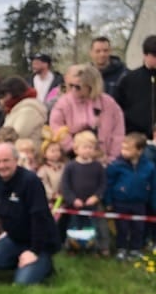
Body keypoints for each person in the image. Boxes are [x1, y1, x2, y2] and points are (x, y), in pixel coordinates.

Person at [0, 143, 61, 285]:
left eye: (6, 161)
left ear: (16, 160)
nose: (2, 166)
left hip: (40, 242)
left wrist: (34, 251)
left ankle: (44, 264)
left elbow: (39, 218)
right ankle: (22, 261)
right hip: (15, 239)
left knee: (22, 283)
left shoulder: (31, 181)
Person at [49, 64, 125, 163]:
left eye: (78, 87)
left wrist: (112, 158)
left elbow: (118, 133)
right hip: (73, 158)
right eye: (71, 85)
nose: (73, 89)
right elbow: (56, 127)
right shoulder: (63, 102)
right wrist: (74, 148)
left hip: (104, 158)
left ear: (91, 85)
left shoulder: (108, 103)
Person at [105, 132, 156, 260]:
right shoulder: (116, 165)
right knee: (122, 227)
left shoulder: (149, 167)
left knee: (139, 228)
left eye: (128, 149)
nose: (123, 151)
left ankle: (135, 249)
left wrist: (153, 203)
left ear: (139, 150)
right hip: (121, 202)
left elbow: (153, 186)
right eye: (122, 148)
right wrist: (108, 201)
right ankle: (121, 248)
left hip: (140, 203)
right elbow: (108, 184)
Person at [60, 130, 110, 255]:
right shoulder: (70, 166)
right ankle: (73, 248)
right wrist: (72, 199)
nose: (88, 150)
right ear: (76, 149)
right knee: (75, 226)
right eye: (85, 147)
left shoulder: (98, 166)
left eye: (91, 148)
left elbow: (103, 184)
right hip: (76, 204)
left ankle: (100, 248)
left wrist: (96, 197)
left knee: (99, 226)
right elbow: (65, 185)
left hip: (94, 203)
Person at [116, 34, 156, 138]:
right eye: (154, 56)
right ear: (145, 55)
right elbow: (118, 109)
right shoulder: (129, 79)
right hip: (135, 137)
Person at [0, 76, 47, 149]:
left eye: (4, 95)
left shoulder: (28, 110)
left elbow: (17, 135)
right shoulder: (16, 108)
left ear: (13, 93)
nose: (2, 99)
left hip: (27, 152)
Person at [89, 36, 127, 101]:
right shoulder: (84, 75)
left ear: (110, 51)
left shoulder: (124, 74)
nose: (102, 54)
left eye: (105, 50)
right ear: (91, 53)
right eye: (98, 51)